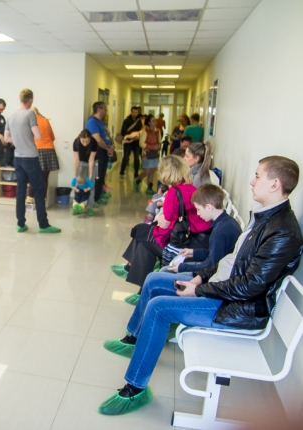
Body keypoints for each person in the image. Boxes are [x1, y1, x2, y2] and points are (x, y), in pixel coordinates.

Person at [98, 156, 303, 416]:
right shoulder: (264, 218)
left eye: (257, 176)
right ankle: (134, 337)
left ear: (274, 184)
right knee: (154, 279)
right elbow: (228, 261)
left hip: (236, 307)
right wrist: (199, 278)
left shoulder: (282, 231)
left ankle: (135, 388)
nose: (252, 182)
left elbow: (250, 286)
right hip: (222, 289)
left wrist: (199, 289)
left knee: (159, 308)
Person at [110, 156, 211, 290]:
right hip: (196, 238)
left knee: (144, 239)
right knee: (143, 232)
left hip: (184, 243)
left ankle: (139, 283)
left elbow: (165, 229)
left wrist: (156, 228)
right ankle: (133, 273)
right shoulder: (190, 188)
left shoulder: (173, 193)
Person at [5, 89, 61, 234]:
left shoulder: (10, 116)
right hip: (31, 157)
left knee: (20, 191)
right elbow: (39, 136)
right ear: (30, 100)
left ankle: (20, 224)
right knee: (39, 189)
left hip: (18, 158)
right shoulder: (30, 114)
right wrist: (29, 136)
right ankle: (43, 225)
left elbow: (6, 138)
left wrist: (18, 140)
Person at [166, 184, 242, 274]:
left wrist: (182, 267)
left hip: (215, 275)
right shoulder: (229, 221)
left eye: (198, 209)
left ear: (209, 207)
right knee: (166, 270)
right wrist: (194, 252)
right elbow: (215, 253)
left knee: (163, 272)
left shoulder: (219, 232)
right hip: (221, 269)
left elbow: (210, 266)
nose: (198, 213)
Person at [26, 107, 59, 204]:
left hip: (37, 150)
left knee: (34, 175)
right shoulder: (45, 120)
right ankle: (42, 199)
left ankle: (30, 197)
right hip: (49, 150)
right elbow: (52, 137)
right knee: (44, 177)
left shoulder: (31, 121)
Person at [86, 101, 114, 203]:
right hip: (98, 151)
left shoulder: (102, 122)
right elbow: (97, 139)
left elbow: (107, 135)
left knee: (102, 174)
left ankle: (100, 193)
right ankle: (95, 198)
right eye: (104, 108)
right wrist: (108, 148)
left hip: (105, 150)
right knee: (97, 175)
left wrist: (112, 145)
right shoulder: (92, 122)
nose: (106, 110)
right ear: (99, 110)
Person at [133, 114, 161, 195]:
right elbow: (141, 143)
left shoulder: (158, 131)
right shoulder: (145, 131)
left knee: (152, 170)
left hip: (155, 154)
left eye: (155, 121)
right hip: (147, 154)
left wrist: (158, 146)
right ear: (148, 122)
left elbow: (159, 141)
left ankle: (149, 188)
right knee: (147, 171)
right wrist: (152, 147)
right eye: (153, 121)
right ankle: (137, 179)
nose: (155, 122)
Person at [73, 129, 98, 215]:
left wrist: (90, 174)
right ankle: (77, 206)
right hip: (81, 162)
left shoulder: (94, 142)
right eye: (83, 141)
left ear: (90, 138)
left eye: (87, 141)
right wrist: (75, 175)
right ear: (80, 138)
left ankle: (89, 207)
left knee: (91, 184)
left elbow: (91, 159)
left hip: (92, 162)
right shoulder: (76, 142)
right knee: (77, 183)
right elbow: (76, 160)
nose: (85, 144)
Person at [119, 106, 143, 179]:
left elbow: (141, 131)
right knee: (126, 157)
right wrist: (131, 137)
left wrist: (137, 136)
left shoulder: (139, 121)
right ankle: (122, 171)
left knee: (136, 158)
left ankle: (136, 173)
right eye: (133, 112)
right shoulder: (126, 121)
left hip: (136, 143)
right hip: (128, 142)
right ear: (131, 112)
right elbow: (123, 131)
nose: (135, 114)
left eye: (136, 112)